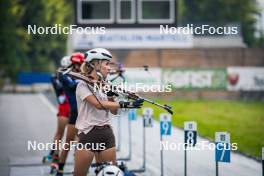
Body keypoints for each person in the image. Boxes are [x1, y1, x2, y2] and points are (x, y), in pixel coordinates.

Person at [74, 48, 144, 176]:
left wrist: (111, 96)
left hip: (106, 134)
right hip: (88, 134)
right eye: (106, 63)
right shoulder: (82, 85)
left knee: (110, 173)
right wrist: (126, 104)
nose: (109, 67)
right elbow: (98, 104)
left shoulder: (105, 85)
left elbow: (114, 111)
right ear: (95, 64)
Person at [56, 52, 85, 176]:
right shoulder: (63, 74)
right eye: (79, 64)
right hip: (74, 112)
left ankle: (79, 169)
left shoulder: (80, 74)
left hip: (84, 113)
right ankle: (60, 169)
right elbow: (73, 85)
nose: (81, 66)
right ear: (74, 64)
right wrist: (85, 77)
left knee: (81, 144)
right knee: (68, 142)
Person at [48, 56, 71, 172]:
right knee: (59, 134)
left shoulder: (74, 75)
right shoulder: (57, 76)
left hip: (73, 108)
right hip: (64, 107)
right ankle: (55, 155)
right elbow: (59, 86)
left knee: (74, 137)